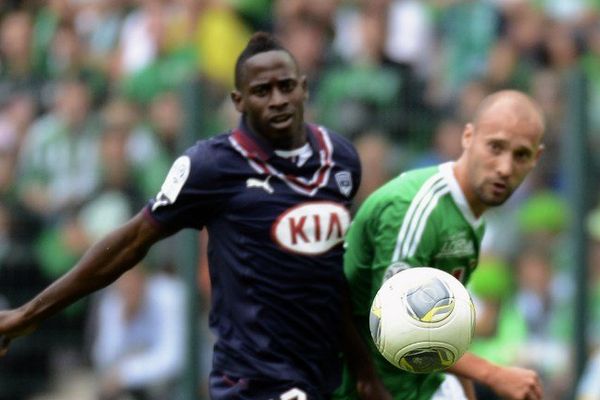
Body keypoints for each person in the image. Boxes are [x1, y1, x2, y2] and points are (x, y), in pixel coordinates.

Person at [0, 32, 387, 400]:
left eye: (286, 86)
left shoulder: (339, 160)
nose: (277, 100)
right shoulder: (212, 165)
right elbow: (132, 241)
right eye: (261, 91)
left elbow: (327, 275)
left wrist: (364, 371)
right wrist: (31, 312)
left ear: (303, 86)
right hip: (254, 378)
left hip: (323, 373)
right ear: (238, 100)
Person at [334, 90, 545, 400]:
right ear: (468, 137)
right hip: (362, 389)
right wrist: (494, 373)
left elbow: (445, 331)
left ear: (536, 159)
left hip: (419, 383)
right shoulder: (415, 208)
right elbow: (398, 324)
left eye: (521, 155)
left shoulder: (470, 219)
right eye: (495, 147)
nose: (504, 167)